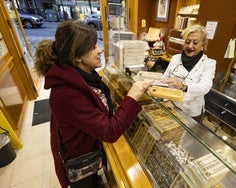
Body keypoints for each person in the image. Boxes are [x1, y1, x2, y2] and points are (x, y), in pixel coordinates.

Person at [34, 20, 152, 188]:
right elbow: (109, 132)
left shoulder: (81, 74)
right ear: (75, 56)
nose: (100, 50)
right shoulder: (66, 93)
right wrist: (131, 97)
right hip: (82, 162)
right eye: (92, 47)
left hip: (90, 147)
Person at [162, 24, 216, 122]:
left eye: (195, 43)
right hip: (172, 105)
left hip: (192, 111)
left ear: (203, 46)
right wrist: (167, 100)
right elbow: (164, 80)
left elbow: (205, 87)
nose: (190, 46)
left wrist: (183, 85)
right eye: (187, 42)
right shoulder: (175, 58)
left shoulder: (209, 63)